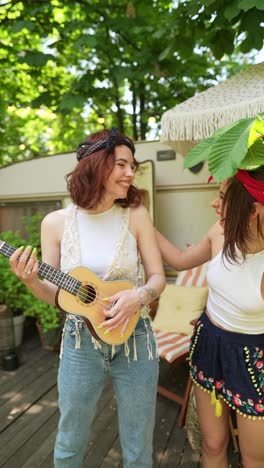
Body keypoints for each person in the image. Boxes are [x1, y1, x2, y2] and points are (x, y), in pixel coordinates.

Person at [10, 128, 166, 468]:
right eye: (122, 164)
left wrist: (137, 297)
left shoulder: (136, 215)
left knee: (138, 446)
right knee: (70, 439)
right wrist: (29, 281)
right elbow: (55, 295)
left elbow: (158, 278)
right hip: (80, 342)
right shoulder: (56, 223)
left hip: (136, 340)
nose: (130, 173)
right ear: (97, 165)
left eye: (132, 165)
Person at [156, 168, 264, 468]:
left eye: (221, 198)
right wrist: (140, 219)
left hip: (255, 360)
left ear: (253, 209)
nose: (213, 204)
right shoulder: (219, 232)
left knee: (254, 458)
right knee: (213, 444)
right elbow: (179, 260)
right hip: (209, 345)